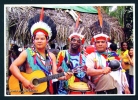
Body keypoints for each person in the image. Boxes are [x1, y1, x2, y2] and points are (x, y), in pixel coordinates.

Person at [9, 8, 71, 95]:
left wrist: (65, 77)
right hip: (28, 89)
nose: (39, 41)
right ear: (33, 40)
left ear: (47, 40)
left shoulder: (51, 56)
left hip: (45, 90)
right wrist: (24, 80)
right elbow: (12, 67)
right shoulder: (27, 52)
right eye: (37, 38)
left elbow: (54, 74)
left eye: (42, 39)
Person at [57, 19, 94, 94]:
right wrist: (59, 70)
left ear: (81, 44)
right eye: (73, 40)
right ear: (70, 41)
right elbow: (55, 72)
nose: (75, 42)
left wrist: (89, 81)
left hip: (77, 90)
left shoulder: (83, 58)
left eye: (78, 41)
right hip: (63, 90)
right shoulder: (62, 54)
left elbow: (82, 75)